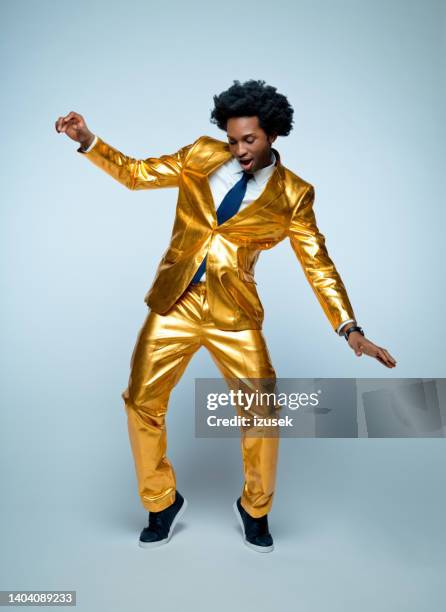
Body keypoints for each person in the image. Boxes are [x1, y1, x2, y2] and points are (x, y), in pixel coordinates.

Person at [55, 79, 396, 553]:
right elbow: (137, 174)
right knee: (140, 401)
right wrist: (88, 141)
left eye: (249, 140)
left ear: (273, 134)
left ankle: (255, 509)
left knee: (262, 413)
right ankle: (160, 501)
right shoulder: (200, 155)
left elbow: (317, 262)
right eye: (233, 139)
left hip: (233, 314)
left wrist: (349, 327)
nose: (238, 150)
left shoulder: (294, 194)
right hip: (174, 302)